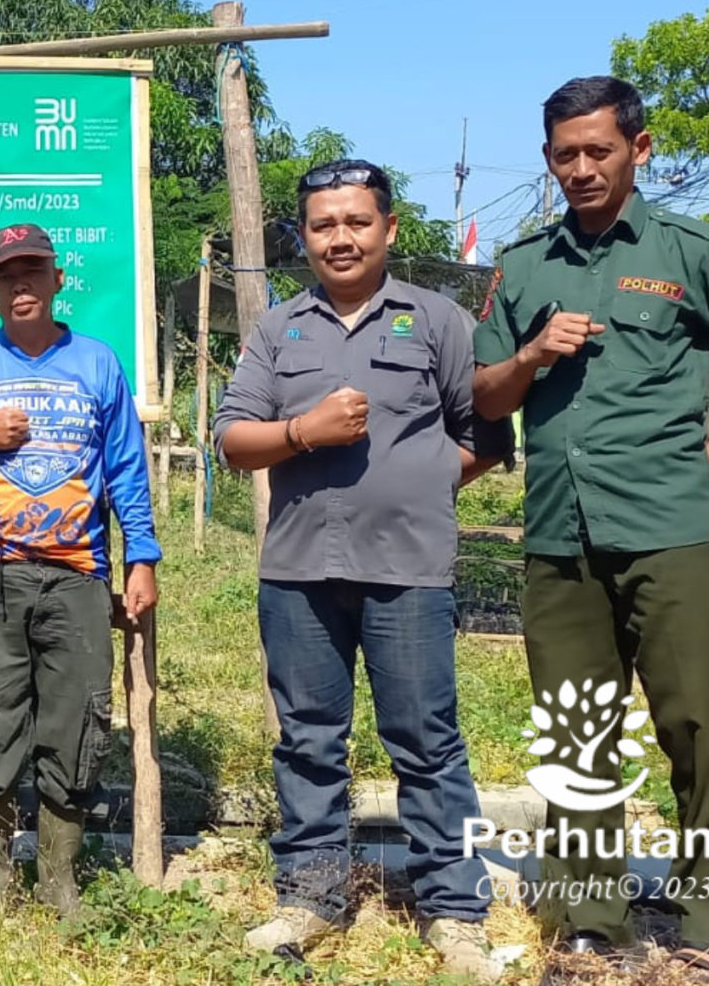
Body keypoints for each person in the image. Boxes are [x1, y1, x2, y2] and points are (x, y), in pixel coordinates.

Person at [475, 77, 709, 982]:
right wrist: (531, 354)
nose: (582, 168)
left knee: (698, 724)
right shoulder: (523, 262)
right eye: (565, 153)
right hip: (558, 539)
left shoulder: (692, 251)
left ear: (637, 151)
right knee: (577, 736)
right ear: (548, 159)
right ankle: (588, 915)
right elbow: (486, 395)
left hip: (673, 531)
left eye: (599, 150)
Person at [212, 160, 508, 982]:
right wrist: (302, 430)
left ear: (388, 229)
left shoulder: (440, 319)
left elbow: (482, 435)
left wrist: (415, 485)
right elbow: (234, 440)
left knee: (426, 740)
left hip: (410, 569)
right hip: (300, 570)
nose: (339, 237)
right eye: (321, 225)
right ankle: (310, 896)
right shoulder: (280, 329)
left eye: (355, 221)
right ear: (302, 237)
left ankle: (453, 908)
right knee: (308, 739)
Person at [0, 222, 160, 929]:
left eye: (34, 272)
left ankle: (59, 875)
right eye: (7, 276)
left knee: (74, 724)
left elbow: (126, 469)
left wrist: (141, 554)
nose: (22, 286)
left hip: (75, 572)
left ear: (57, 279)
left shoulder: (99, 363)